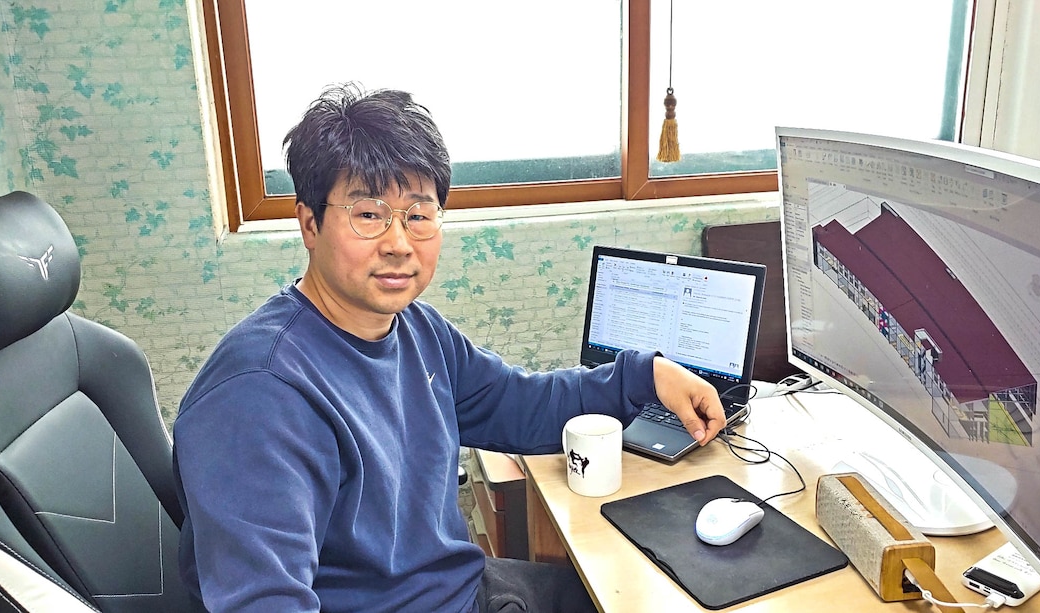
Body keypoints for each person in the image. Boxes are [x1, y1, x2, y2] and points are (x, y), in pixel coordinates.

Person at [172, 82, 727, 613]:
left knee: (646, 592)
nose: (397, 242)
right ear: (310, 224)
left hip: (460, 590)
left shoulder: (416, 330)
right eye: (368, 214)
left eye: (418, 215)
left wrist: (642, 377)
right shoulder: (259, 396)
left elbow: (519, 403)